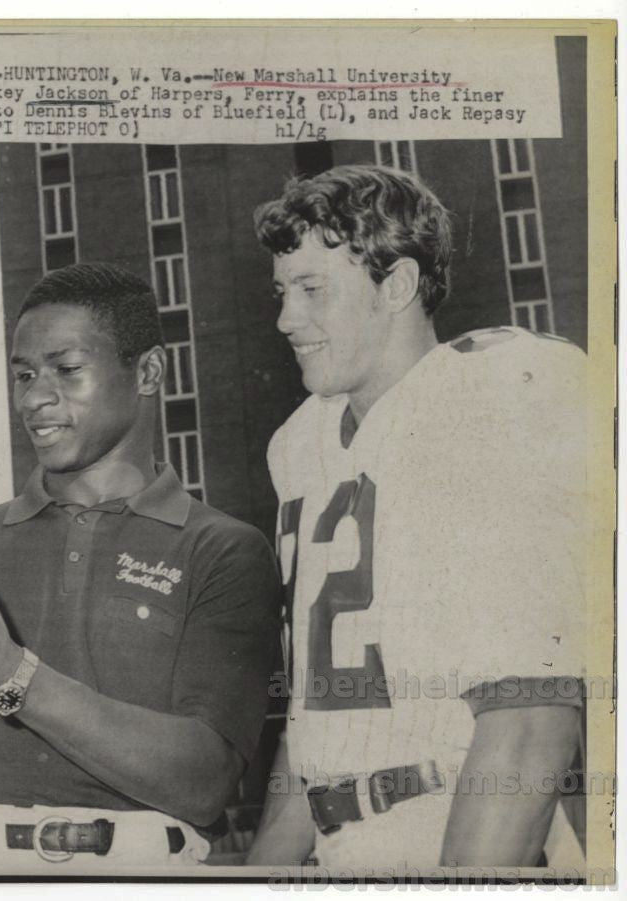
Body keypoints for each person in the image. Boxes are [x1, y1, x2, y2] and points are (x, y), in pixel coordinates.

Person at [0, 262, 282, 869]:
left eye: (67, 370)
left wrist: (7, 675)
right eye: (23, 375)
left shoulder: (223, 549)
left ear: (148, 371)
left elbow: (205, 782)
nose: (35, 398)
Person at [244, 165, 586, 870]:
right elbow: (316, 721)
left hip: (455, 829)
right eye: (282, 291)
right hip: (336, 849)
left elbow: (528, 716)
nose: (285, 318)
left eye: (313, 290)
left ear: (396, 285)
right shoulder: (299, 443)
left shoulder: (486, 397)